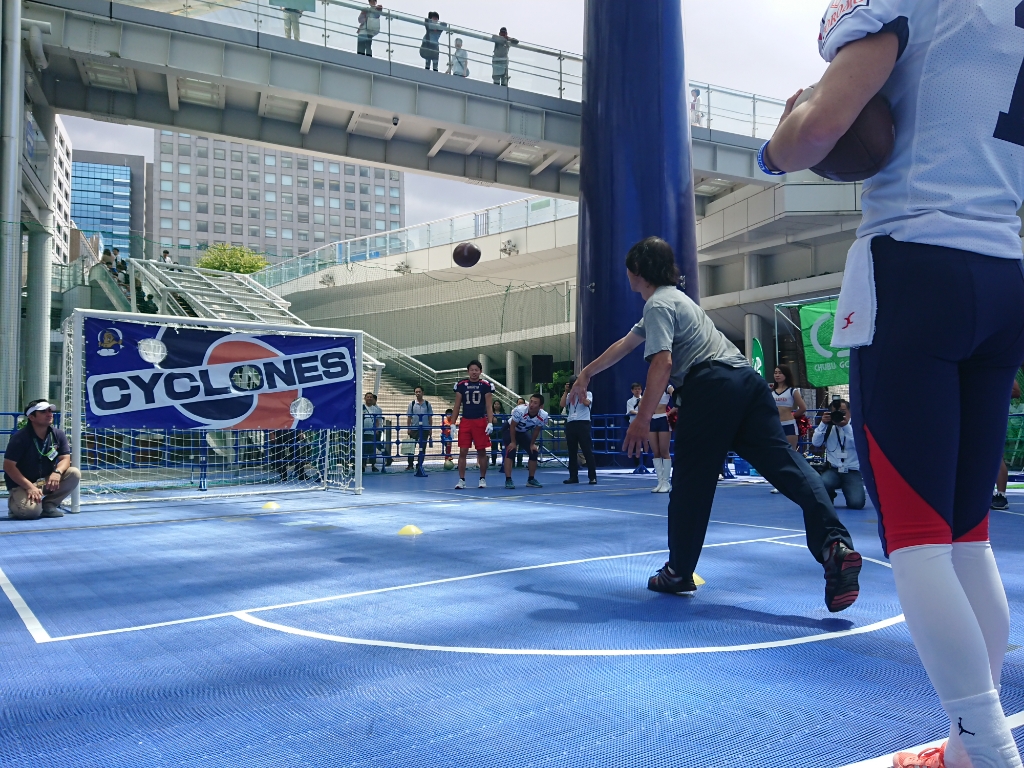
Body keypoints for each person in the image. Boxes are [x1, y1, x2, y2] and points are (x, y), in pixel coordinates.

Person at [762, 3, 1024, 764]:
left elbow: (820, 128)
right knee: (966, 534)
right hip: (1003, 270)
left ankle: (987, 748)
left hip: (914, 265)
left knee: (917, 541)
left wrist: (777, 147)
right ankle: (971, 746)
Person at [569, 237, 861, 613]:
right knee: (789, 467)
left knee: (691, 484)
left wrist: (641, 419)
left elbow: (662, 363)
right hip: (747, 383)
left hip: (710, 387)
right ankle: (835, 545)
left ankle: (678, 571)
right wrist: (586, 373)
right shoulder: (677, 301)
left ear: (637, 271)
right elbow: (626, 344)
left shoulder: (658, 304)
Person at [4, 400, 81, 520]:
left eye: (50, 411)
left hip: (43, 481)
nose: (49, 414)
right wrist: (29, 487)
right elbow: (8, 466)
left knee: (74, 473)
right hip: (22, 484)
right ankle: (15, 502)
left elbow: (65, 458)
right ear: (31, 417)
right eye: (43, 411)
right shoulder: (19, 438)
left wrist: (57, 472)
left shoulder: (58, 434)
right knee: (30, 512)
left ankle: (48, 505)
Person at [811, 399, 866, 510]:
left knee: (856, 504)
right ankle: (829, 495)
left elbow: (860, 446)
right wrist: (823, 424)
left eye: (843, 412)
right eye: (835, 412)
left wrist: (846, 427)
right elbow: (816, 443)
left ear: (850, 412)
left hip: (852, 471)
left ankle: (849, 488)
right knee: (821, 484)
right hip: (833, 470)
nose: (839, 415)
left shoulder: (857, 426)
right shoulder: (828, 427)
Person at [451, 360, 494, 489]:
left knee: (481, 451)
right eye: (472, 370)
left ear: (480, 371)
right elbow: (457, 406)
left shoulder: (486, 385)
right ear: (468, 371)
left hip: (480, 420)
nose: (474, 372)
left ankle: (482, 478)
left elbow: (489, 406)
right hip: (466, 420)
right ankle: (461, 479)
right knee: (463, 451)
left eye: (476, 370)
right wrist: (452, 423)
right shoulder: (461, 385)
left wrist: (490, 422)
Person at [503, 393, 548, 489]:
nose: (531, 405)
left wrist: (532, 444)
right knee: (511, 450)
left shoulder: (543, 415)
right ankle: (508, 479)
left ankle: (531, 479)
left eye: (535, 403)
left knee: (533, 452)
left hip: (522, 432)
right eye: (531, 401)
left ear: (540, 406)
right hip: (510, 429)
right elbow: (512, 426)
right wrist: (513, 442)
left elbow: (536, 430)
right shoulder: (520, 410)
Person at [560, 376, 597, 485]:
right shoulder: (569, 395)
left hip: (583, 423)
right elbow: (562, 404)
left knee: (587, 450)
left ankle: (592, 477)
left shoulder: (588, 393)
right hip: (571, 423)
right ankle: (573, 476)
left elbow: (586, 403)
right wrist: (566, 391)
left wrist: (580, 391)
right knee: (572, 451)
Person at [992, 376, 1021, 511]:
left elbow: (1016, 391)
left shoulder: (996, 369)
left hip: (992, 416)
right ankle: (985, 494)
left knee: (996, 455)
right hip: (970, 416)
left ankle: (1001, 495)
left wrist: (989, 391)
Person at [771, 365, 806, 451]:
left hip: (789, 424)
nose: (777, 375)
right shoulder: (771, 391)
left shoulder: (792, 391)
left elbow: (803, 408)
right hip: (774, 425)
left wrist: (792, 416)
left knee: (791, 451)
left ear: (786, 375)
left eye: (780, 373)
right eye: (775, 373)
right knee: (774, 451)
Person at [649, 385, 675, 493]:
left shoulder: (668, 387)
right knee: (656, 452)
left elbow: (679, 400)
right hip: (652, 419)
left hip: (663, 419)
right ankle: (660, 482)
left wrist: (670, 412)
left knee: (664, 451)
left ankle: (666, 482)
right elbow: (642, 403)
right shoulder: (650, 387)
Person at [406, 386, 433, 477]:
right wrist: (408, 428)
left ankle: (419, 465)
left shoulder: (427, 404)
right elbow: (409, 417)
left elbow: (430, 417)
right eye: (416, 392)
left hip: (424, 429)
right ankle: (410, 465)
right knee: (411, 448)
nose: (418, 393)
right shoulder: (412, 404)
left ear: (423, 393)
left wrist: (430, 428)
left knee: (423, 448)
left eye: (419, 391)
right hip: (414, 429)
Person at [361, 392, 383, 473]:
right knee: (363, 449)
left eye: (371, 397)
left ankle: (373, 465)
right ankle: (363, 465)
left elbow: (377, 420)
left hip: (371, 432)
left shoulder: (375, 409)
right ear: (365, 398)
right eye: (368, 397)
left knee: (372, 449)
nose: (369, 398)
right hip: (362, 432)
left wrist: (376, 429)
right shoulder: (361, 407)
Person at [490, 401, 505, 467]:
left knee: (503, 447)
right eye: (495, 404)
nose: (496, 405)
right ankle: (493, 461)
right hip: (493, 432)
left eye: (498, 404)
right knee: (494, 447)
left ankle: (504, 461)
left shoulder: (503, 413)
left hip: (501, 432)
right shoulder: (490, 414)